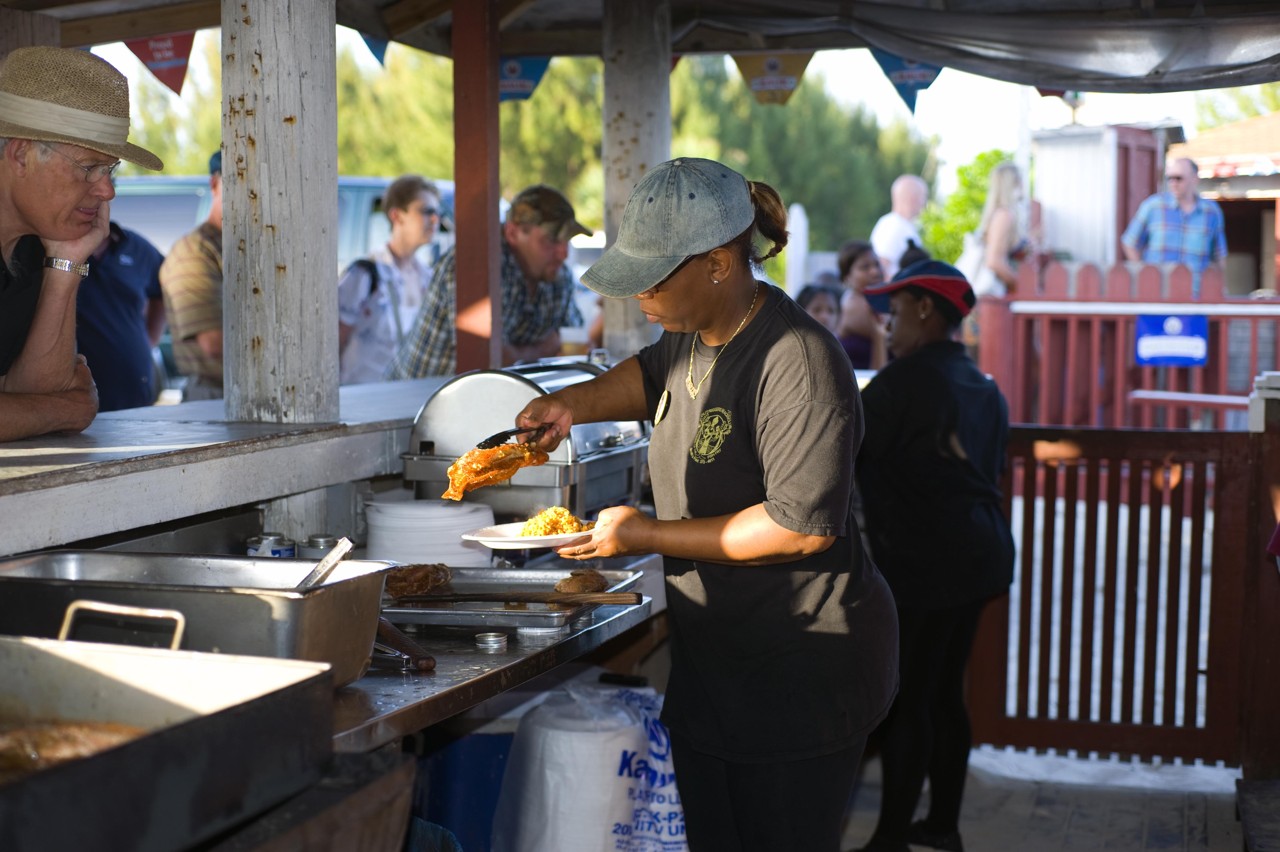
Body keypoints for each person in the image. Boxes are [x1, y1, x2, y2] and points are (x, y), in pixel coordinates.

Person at [511, 157, 898, 852]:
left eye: (653, 279)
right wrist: (573, 404)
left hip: (802, 674)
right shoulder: (691, 333)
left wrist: (644, 533)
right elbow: (646, 373)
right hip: (716, 670)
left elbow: (797, 527)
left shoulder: (798, 361)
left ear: (719, 264)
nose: (639, 297)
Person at [853, 260, 1015, 852]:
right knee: (945, 692)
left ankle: (890, 837)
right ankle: (942, 826)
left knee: (910, 697)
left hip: (927, 562)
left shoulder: (900, 384)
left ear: (925, 310)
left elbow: (838, 457)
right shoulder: (985, 386)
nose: (887, 327)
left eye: (893, 314)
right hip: (982, 554)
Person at [0, 46, 162, 442]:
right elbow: (48, 406)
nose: (107, 190)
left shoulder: (35, 248)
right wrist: (69, 408)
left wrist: (66, 263)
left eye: (110, 170)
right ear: (21, 154)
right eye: (90, 167)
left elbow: (33, 401)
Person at [387, 184, 589, 378]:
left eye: (567, 241)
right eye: (551, 240)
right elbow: (488, 361)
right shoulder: (477, 266)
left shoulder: (557, 276)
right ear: (512, 233)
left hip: (478, 398)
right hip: (414, 400)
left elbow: (575, 340)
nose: (564, 253)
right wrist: (544, 350)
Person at [337, 174, 442, 384]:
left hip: (406, 398)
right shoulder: (365, 274)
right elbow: (333, 343)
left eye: (437, 212)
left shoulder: (427, 277)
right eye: (425, 211)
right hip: (361, 400)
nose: (434, 220)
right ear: (397, 215)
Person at [75, 220, 166, 410]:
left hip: (134, 391)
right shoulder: (54, 245)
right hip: (77, 394)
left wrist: (148, 340)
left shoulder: (136, 247)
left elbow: (162, 291)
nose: (99, 195)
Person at [160, 150, 224, 400]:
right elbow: (213, 343)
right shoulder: (195, 251)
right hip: (215, 397)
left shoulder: (251, 248)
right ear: (215, 183)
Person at [1122, 156, 1227, 294]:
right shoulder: (1153, 206)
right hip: (1157, 293)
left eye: (1178, 178)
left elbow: (1219, 255)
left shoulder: (1211, 212)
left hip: (1195, 294)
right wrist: (1144, 274)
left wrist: (1220, 286)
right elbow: (1129, 242)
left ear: (1194, 179)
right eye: (1169, 178)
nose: (1173, 183)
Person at [971, 161, 1030, 298]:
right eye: (1020, 179)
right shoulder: (1004, 215)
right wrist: (1019, 285)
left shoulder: (999, 214)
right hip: (993, 299)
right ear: (1013, 182)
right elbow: (994, 261)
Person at [835, 239, 888, 369]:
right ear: (847, 276)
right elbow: (896, 333)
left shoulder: (878, 301)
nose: (875, 272)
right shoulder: (853, 304)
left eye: (877, 264)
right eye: (865, 267)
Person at [870, 174, 928, 279]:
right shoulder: (893, 226)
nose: (924, 203)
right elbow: (880, 268)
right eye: (923, 196)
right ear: (912, 197)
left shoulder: (903, 226)